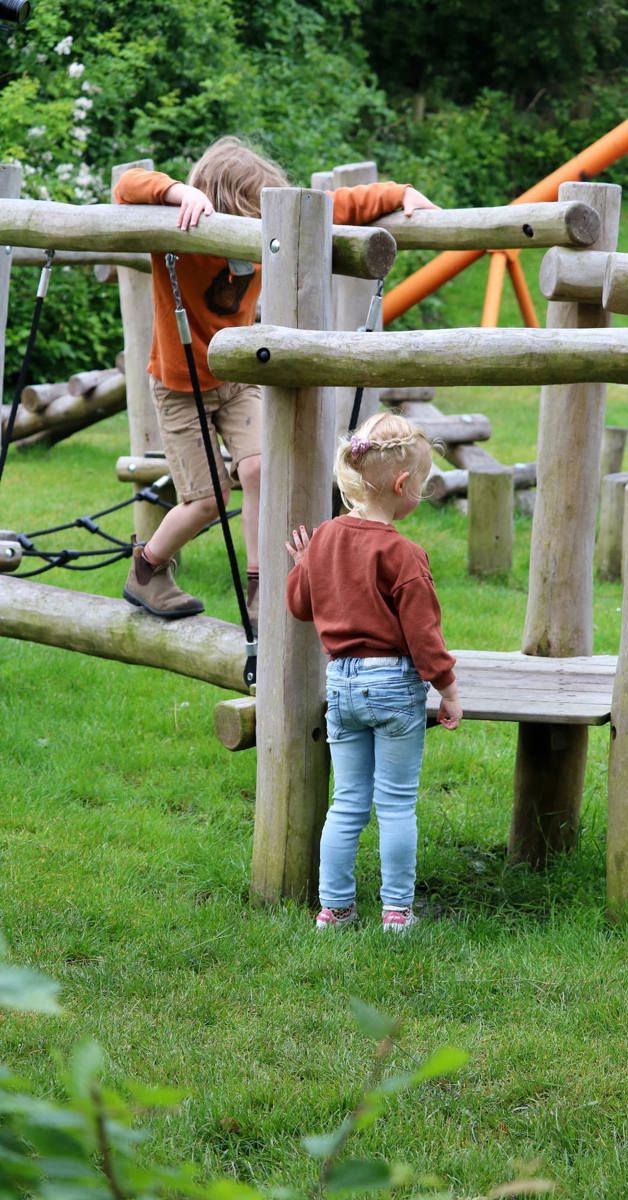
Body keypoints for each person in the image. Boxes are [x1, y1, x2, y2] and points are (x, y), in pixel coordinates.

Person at [114, 136, 437, 625]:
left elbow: (338, 206)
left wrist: (400, 195)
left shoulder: (268, 231)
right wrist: (179, 193)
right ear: (221, 205)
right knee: (208, 501)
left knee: (261, 470)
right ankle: (147, 568)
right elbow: (127, 186)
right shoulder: (181, 230)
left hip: (238, 378)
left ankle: (262, 585)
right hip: (183, 389)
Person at [285, 412, 462, 934]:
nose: (422, 495)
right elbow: (424, 636)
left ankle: (335, 910)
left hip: (340, 684)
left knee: (347, 803)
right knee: (397, 804)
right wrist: (449, 690)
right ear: (403, 485)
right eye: (423, 486)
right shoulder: (403, 553)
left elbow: (300, 606)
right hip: (392, 685)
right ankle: (396, 913)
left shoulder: (324, 539)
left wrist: (304, 565)